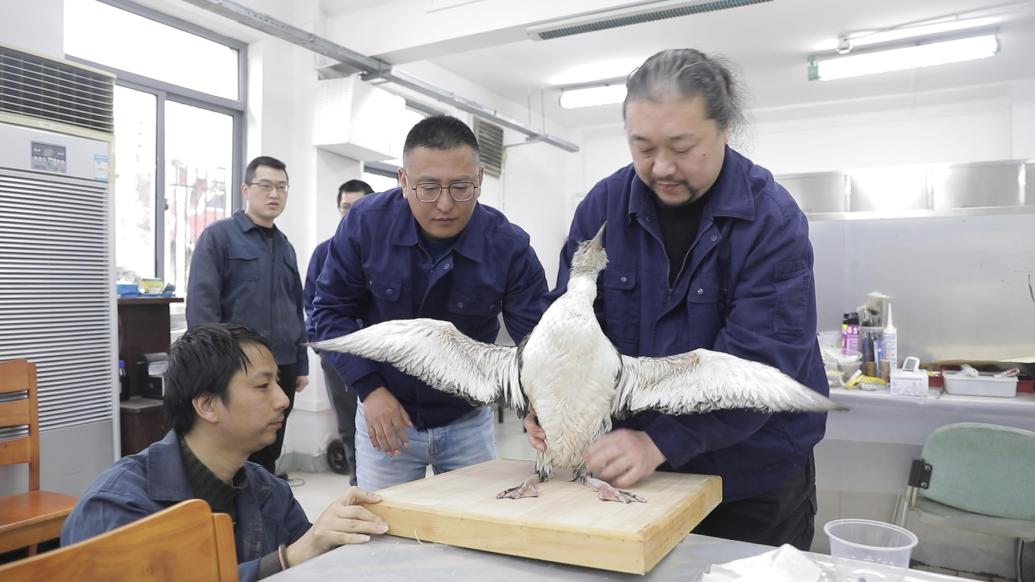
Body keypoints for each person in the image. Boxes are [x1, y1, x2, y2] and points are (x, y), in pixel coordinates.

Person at [528, 49, 829, 550]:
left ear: (725, 129)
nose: (661, 166)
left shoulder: (771, 220)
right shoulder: (603, 209)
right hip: (635, 473)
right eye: (642, 147)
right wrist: (548, 396)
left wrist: (661, 442)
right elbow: (571, 322)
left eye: (682, 146)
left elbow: (760, 365)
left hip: (750, 475)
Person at [312, 115, 548, 490]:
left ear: (480, 180)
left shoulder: (507, 246)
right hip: (385, 413)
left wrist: (540, 401)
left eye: (461, 187)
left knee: (477, 531)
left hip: (466, 418)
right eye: (428, 188)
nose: (445, 204)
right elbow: (329, 313)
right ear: (403, 181)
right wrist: (369, 389)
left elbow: (538, 341)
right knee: (382, 532)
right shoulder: (365, 226)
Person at [61, 324, 388, 582]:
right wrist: (288, 559)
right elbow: (298, 554)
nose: (283, 400)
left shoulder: (270, 492)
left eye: (278, 383)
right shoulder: (118, 504)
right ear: (207, 405)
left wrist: (334, 535)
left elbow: (312, 563)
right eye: (263, 387)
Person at [186, 155, 309, 476]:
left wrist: (301, 362)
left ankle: (264, 517)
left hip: (282, 364)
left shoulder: (285, 246)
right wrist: (215, 366)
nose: (274, 194)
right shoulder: (220, 236)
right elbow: (202, 307)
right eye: (266, 185)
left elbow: (295, 307)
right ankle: (233, 522)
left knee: (270, 446)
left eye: (282, 187)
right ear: (245, 188)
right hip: (237, 367)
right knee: (237, 449)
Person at [304, 179, 374, 485]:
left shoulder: (382, 252)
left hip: (376, 355)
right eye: (347, 207)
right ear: (339, 209)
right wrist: (324, 348)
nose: (352, 214)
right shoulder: (324, 253)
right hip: (338, 358)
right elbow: (312, 304)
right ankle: (358, 483)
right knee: (348, 426)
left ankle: (390, 487)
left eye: (359, 207)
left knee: (380, 422)